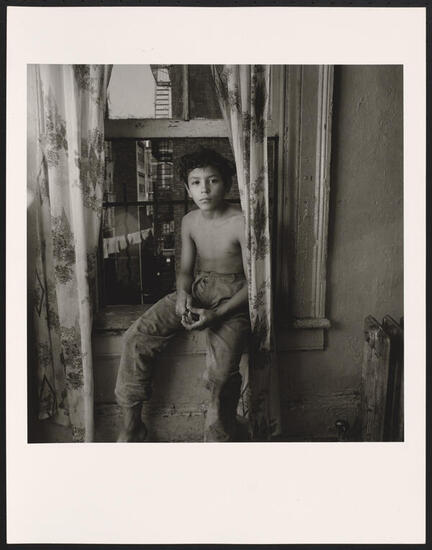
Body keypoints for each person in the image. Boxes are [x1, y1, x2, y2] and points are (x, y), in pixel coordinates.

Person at [115, 148, 250, 442]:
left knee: (220, 375)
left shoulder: (241, 222)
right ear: (188, 189)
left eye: (213, 180)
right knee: (136, 337)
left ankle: (218, 437)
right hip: (200, 288)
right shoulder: (189, 221)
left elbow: (256, 285)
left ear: (227, 184)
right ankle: (133, 426)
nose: (204, 189)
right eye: (196, 182)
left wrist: (218, 314)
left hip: (236, 295)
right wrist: (182, 295)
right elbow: (186, 270)